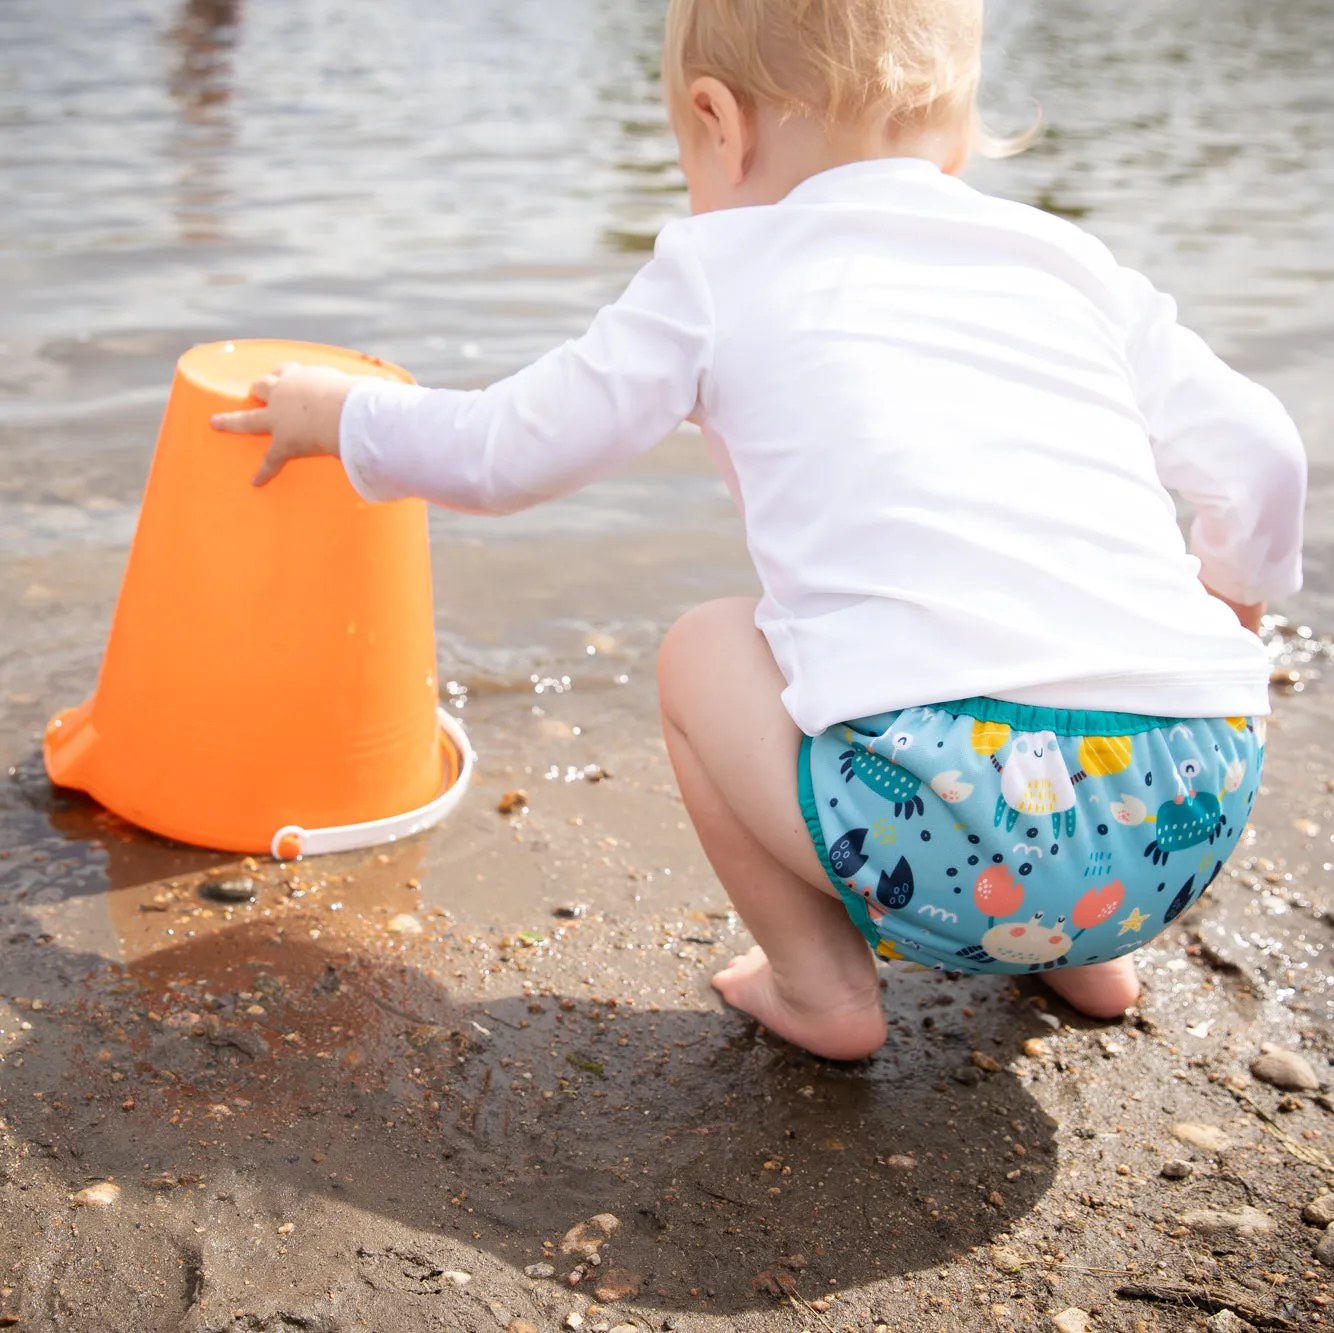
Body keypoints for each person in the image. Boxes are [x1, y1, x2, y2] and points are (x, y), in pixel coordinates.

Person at [213, 0, 1305, 1060]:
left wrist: (341, 417)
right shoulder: (1069, 264)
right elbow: (1262, 450)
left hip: (964, 841)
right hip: (1191, 795)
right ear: (958, 133)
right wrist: (1229, 612)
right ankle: (1083, 958)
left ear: (716, 123)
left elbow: (505, 450)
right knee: (1020, 683)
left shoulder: (714, 270)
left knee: (703, 648)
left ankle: (817, 985)